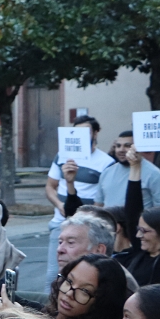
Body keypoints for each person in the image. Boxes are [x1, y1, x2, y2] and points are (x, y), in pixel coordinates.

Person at [44, 115, 114, 287]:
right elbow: (50, 187)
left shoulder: (106, 162)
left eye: (86, 131)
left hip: (87, 228)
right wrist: (60, 205)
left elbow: (103, 198)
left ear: (95, 133)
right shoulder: (61, 156)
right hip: (62, 222)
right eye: (77, 131)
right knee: (54, 276)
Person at [121, 146, 160, 287]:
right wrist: (135, 167)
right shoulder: (140, 252)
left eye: (145, 231)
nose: (138, 235)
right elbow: (132, 212)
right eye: (139, 230)